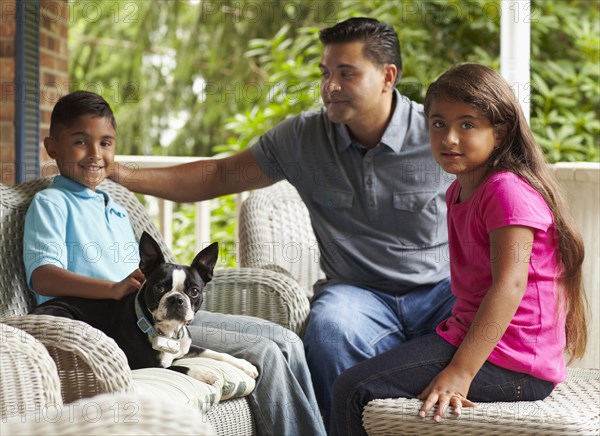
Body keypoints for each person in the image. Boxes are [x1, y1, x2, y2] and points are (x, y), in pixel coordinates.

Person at [112, 17, 455, 429]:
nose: (330, 86)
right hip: (358, 295)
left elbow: (510, 198)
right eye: (326, 73)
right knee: (329, 333)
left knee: (499, 325)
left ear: (387, 76)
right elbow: (218, 176)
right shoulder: (303, 138)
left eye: (346, 74)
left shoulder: (440, 135)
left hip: (441, 290)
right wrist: (121, 172)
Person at [23, 91, 325, 436]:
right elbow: (42, 277)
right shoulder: (51, 202)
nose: (95, 154)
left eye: (105, 143)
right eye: (80, 142)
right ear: (52, 147)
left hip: (162, 316)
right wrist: (112, 288)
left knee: (285, 339)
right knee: (268, 353)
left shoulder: (114, 205)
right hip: (120, 321)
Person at [329, 63, 589, 435]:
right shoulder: (460, 189)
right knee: (367, 372)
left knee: (351, 389)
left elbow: (509, 287)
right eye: (438, 124)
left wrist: (461, 373)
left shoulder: (505, 190)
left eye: (467, 124)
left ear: (499, 133)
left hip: (515, 367)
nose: (449, 138)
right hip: (477, 339)